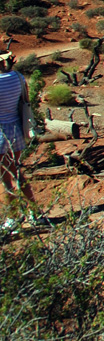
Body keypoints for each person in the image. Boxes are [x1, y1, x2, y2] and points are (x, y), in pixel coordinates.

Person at [0, 51, 35, 224]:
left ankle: (13, 219)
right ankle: (34, 213)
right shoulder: (18, 77)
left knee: (5, 179)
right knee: (17, 173)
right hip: (16, 130)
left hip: (0, 133)